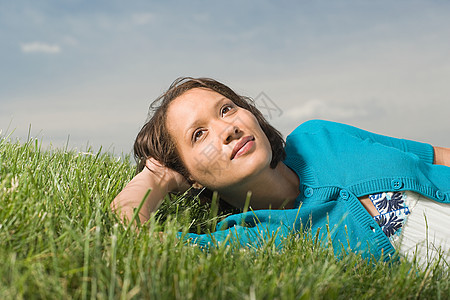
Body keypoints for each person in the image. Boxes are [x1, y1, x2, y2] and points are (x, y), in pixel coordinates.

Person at [111, 77, 450, 265]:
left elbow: (437, 155)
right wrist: (154, 177)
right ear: (191, 176)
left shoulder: (319, 136)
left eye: (227, 109)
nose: (227, 129)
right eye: (199, 135)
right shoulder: (255, 237)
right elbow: (134, 238)